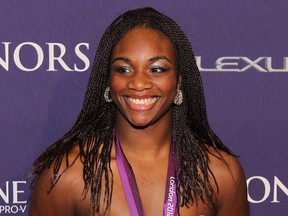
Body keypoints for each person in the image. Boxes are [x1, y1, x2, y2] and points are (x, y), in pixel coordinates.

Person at [28, 7, 248, 216]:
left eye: (157, 69)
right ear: (108, 82)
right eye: (124, 69)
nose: (139, 83)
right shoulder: (68, 176)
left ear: (179, 82)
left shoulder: (221, 174)